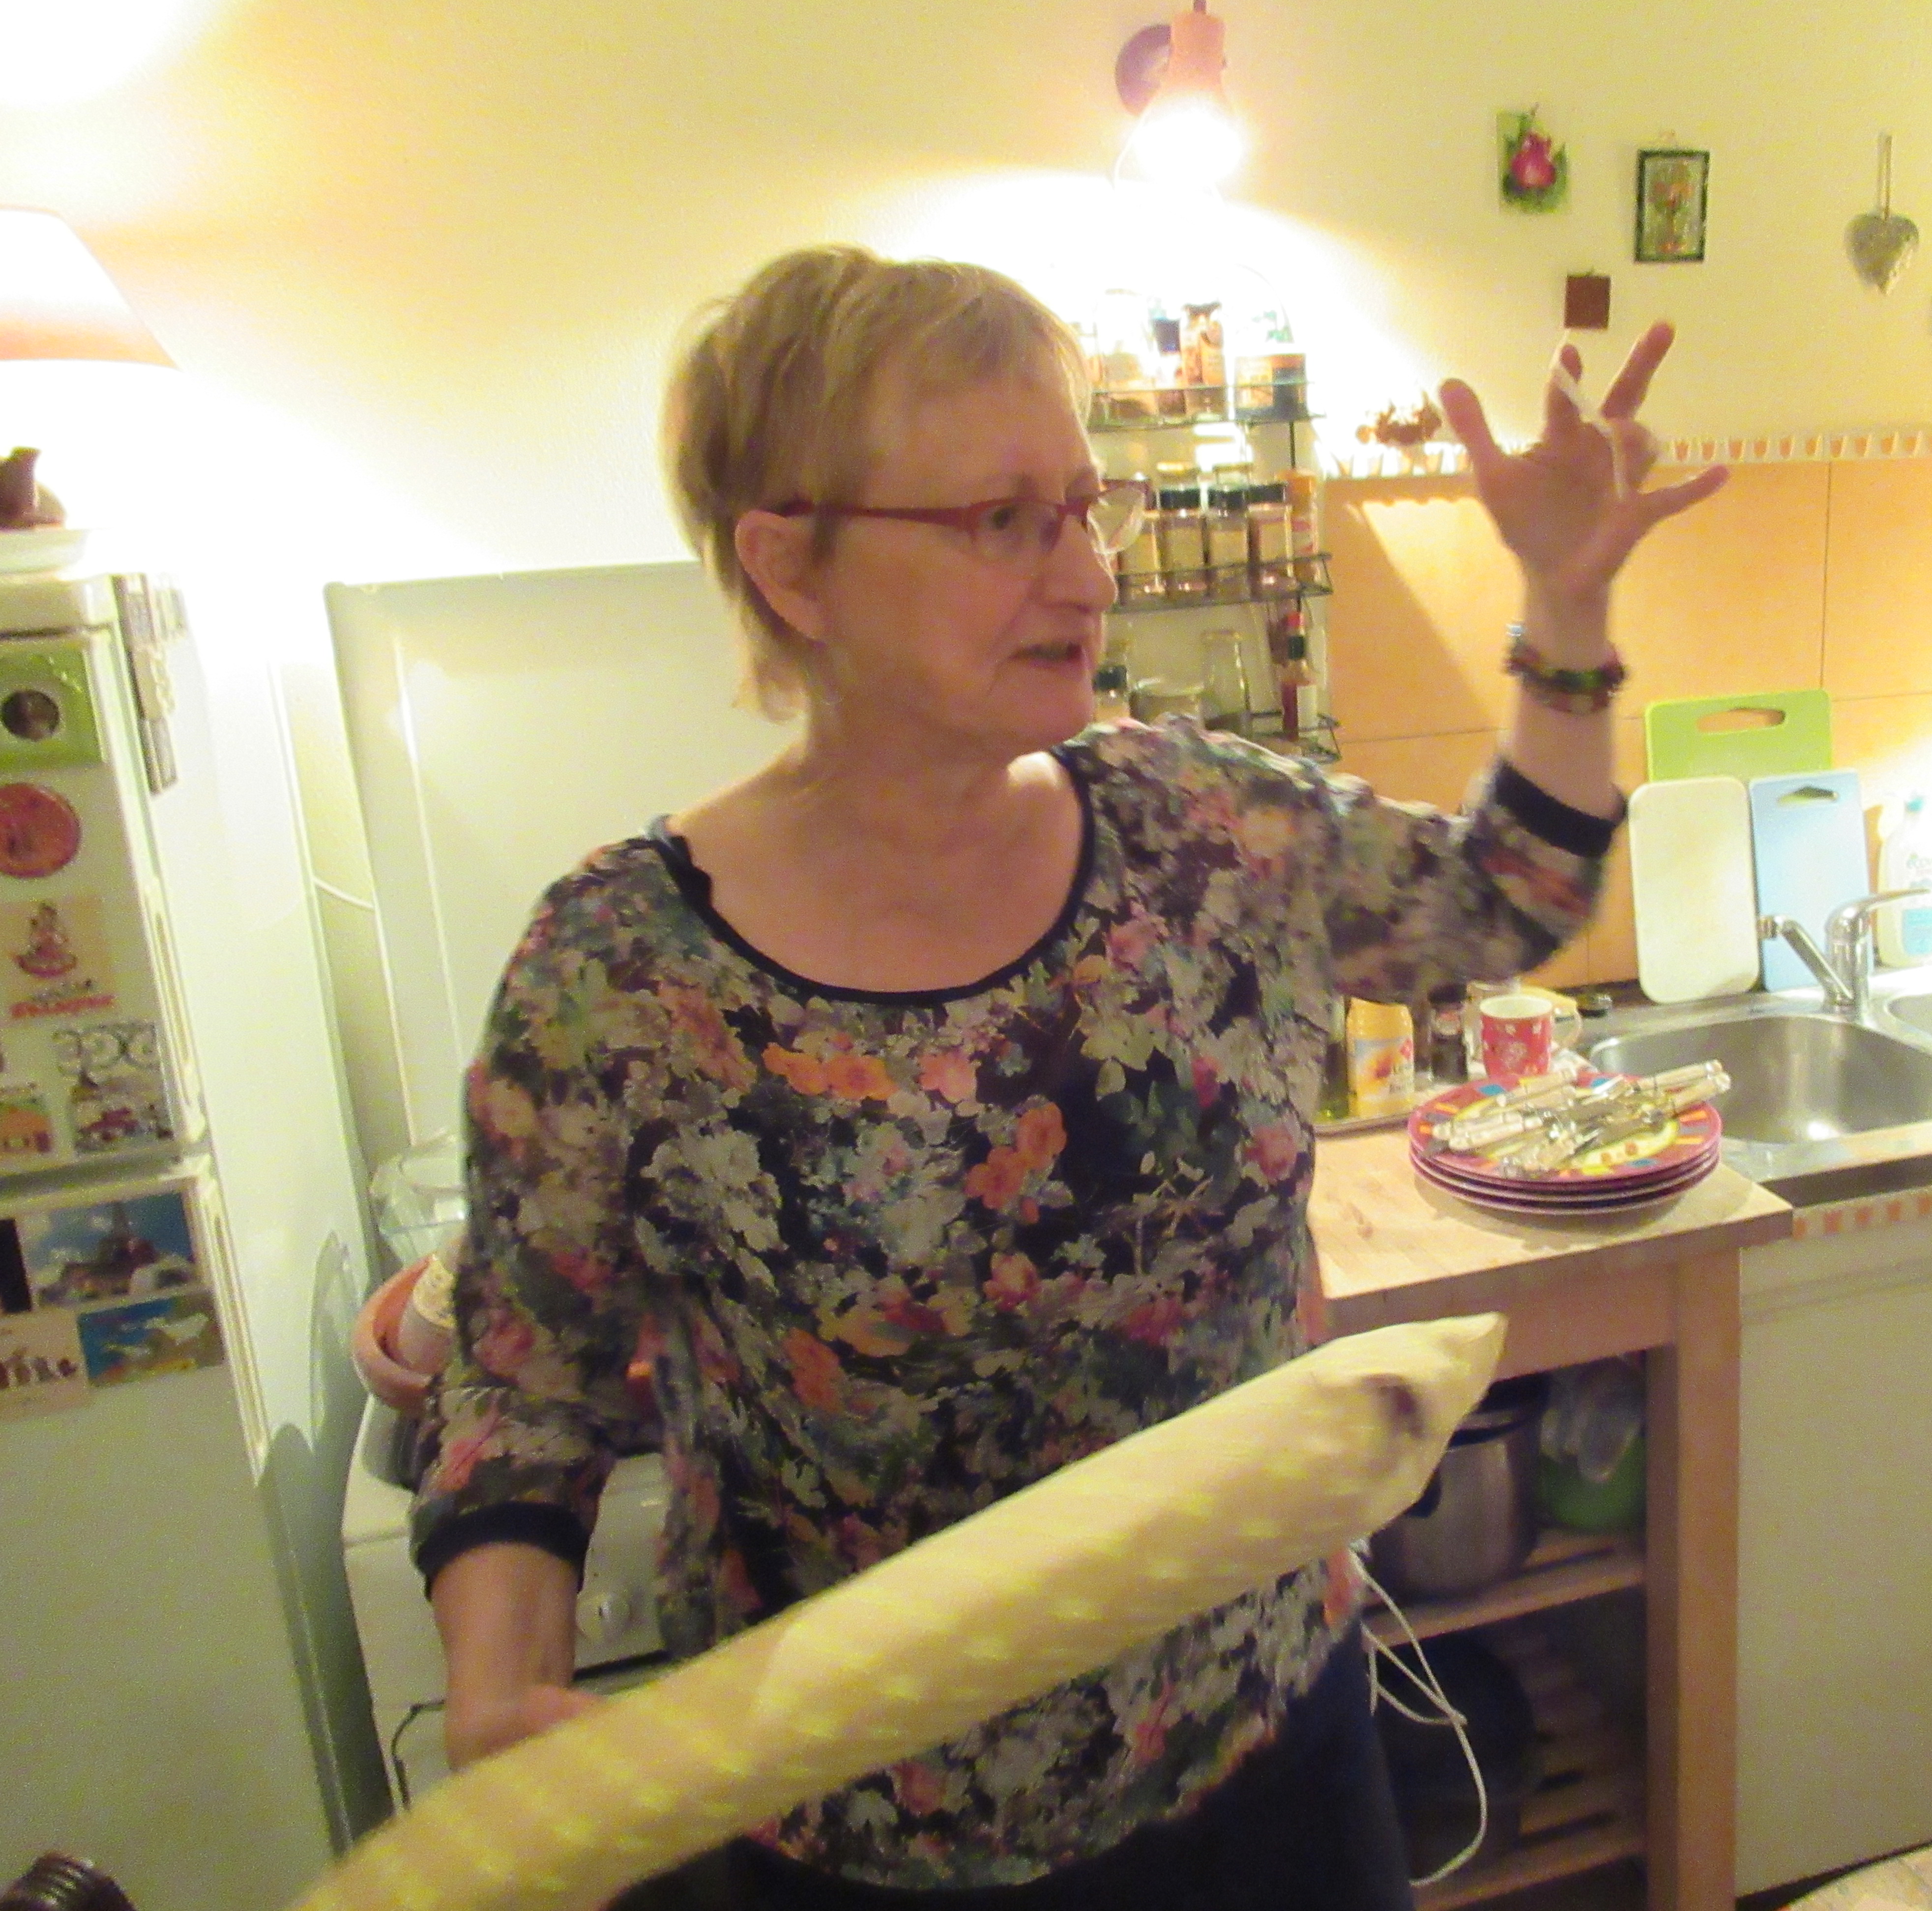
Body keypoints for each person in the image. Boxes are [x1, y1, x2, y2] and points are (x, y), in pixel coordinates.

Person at [410, 244, 1727, 1910]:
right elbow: (524, 1385)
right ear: (790, 565)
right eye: (1002, 521)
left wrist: (1568, 606)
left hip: (1274, 1752)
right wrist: (500, 1690)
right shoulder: (624, 970)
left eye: (1088, 508)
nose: (1088, 573)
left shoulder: (1201, 824)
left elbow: (1505, 900)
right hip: (871, 1846)